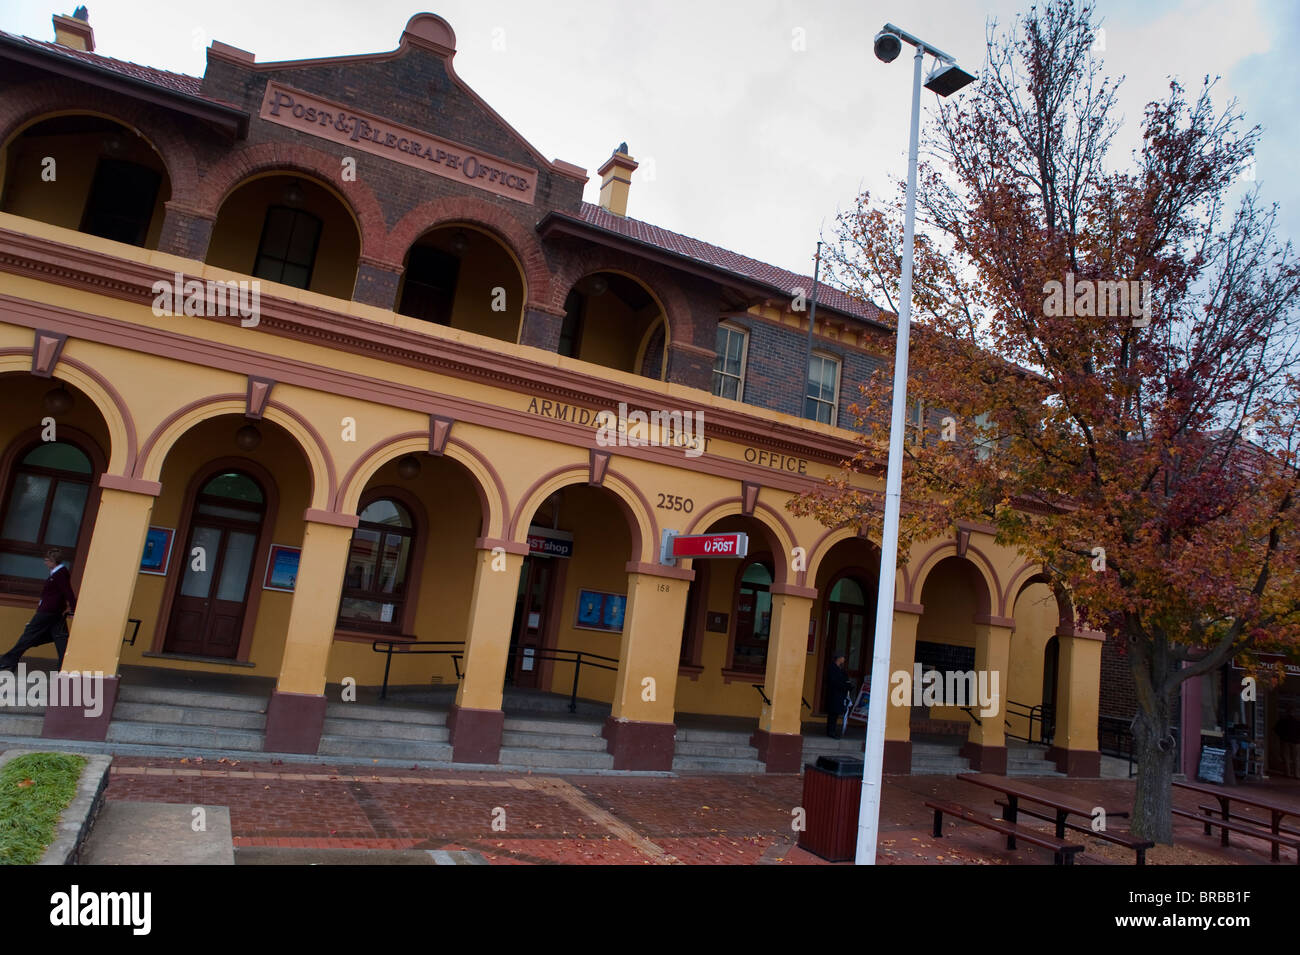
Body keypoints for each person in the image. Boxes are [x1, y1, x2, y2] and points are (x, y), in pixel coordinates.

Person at [0, 547, 76, 672]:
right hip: (53, 611)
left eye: (46, 560)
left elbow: (68, 592)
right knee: (60, 637)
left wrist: (74, 609)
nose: (44, 562)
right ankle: (65, 666)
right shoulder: (56, 573)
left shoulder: (60, 574)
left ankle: (7, 661)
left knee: (29, 634)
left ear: (53, 561)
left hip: (48, 611)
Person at [824, 654, 853, 739]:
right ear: (839, 658)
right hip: (833, 694)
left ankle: (832, 731)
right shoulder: (832, 668)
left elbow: (845, 679)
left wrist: (848, 685)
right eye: (843, 657)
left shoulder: (841, 669)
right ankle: (831, 732)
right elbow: (833, 681)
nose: (844, 659)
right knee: (832, 713)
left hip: (840, 694)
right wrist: (844, 685)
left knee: (835, 713)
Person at [1275, 704, 1300, 778]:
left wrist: (1281, 737)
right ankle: (1297, 774)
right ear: (1294, 713)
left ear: (1286, 712)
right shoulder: (1297, 722)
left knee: (1286, 758)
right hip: (1296, 742)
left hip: (1285, 740)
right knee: (1296, 759)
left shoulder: (1282, 721)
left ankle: (1287, 773)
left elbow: (1276, 730)